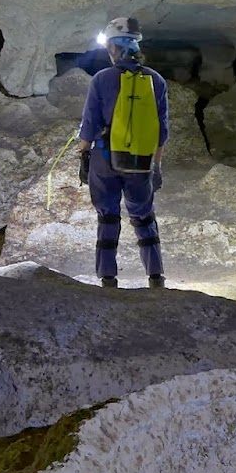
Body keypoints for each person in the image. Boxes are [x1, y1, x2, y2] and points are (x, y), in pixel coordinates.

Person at [76, 17, 169, 289]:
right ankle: (155, 276)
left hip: (105, 158)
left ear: (113, 48)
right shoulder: (156, 81)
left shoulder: (102, 79)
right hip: (140, 161)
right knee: (143, 216)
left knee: (108, 216)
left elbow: (90, 124)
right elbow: (161, 131)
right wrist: (156, 166)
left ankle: (108, 277)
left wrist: (84, 155)